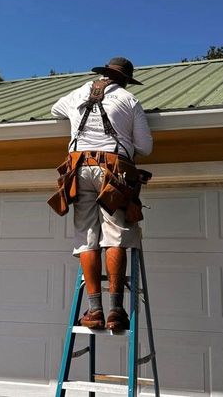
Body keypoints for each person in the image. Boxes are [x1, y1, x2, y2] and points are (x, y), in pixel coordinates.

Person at [49, 57, 153, 332]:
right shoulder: (129, 100)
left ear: (104, 75)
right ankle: (116, 312)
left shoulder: (79, 93)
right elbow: (145, 147)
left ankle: (94, 310)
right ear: (125, 80)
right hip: (113, 172)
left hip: (78, 169)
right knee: (116, 233)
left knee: (86, 235)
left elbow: (54, 110)